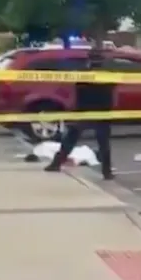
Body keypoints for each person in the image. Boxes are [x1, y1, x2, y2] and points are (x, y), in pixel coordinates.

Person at [44, 44, 114, 179]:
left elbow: (79, 90)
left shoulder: (85, 74)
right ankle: (107, 172)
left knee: (72, 138)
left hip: (86, 110)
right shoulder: (107, 75)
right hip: (102, 111)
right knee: (103, 142)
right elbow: (110, 91)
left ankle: (56, 163)